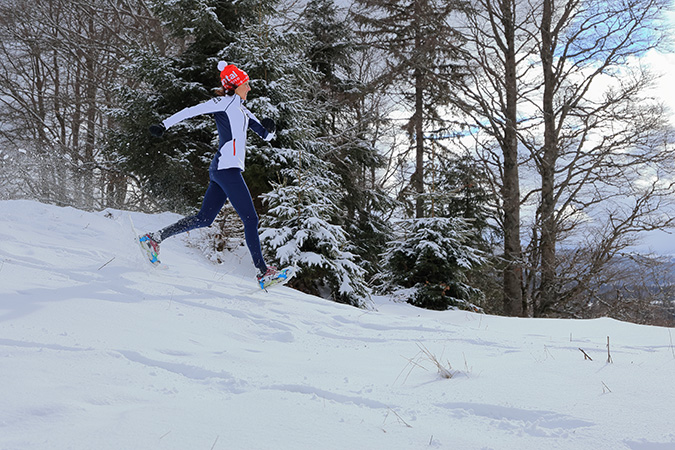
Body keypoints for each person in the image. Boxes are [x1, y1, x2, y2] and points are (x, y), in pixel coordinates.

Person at [140, 61, 281, 286]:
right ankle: (263, 272)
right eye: (246, 84)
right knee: (251, 218)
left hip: (223, 169)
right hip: (226, 168)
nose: (250, 88)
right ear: (235, 85)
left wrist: (270, 128)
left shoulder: (244, 110)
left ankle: (154, 239)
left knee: (204, 219)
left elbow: (265, 135)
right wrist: (164, 125)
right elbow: (191, 111)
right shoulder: (223, 103)